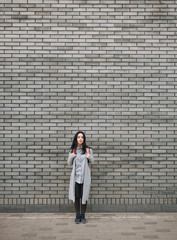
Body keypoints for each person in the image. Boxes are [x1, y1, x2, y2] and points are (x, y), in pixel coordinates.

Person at [68, 131, 94, 224]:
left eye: (82, 137)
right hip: (75, 178)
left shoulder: (88, 149)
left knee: (84, 196)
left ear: (84, 139)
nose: (80, 139)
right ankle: (77, 215)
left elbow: (92, 161)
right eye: (78, 137)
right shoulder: (73, 150)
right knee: (76, 196)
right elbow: (69, 163)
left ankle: (83, 215)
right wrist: (72, 156)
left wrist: (89, 156)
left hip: (85, 177)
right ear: (76, 139)